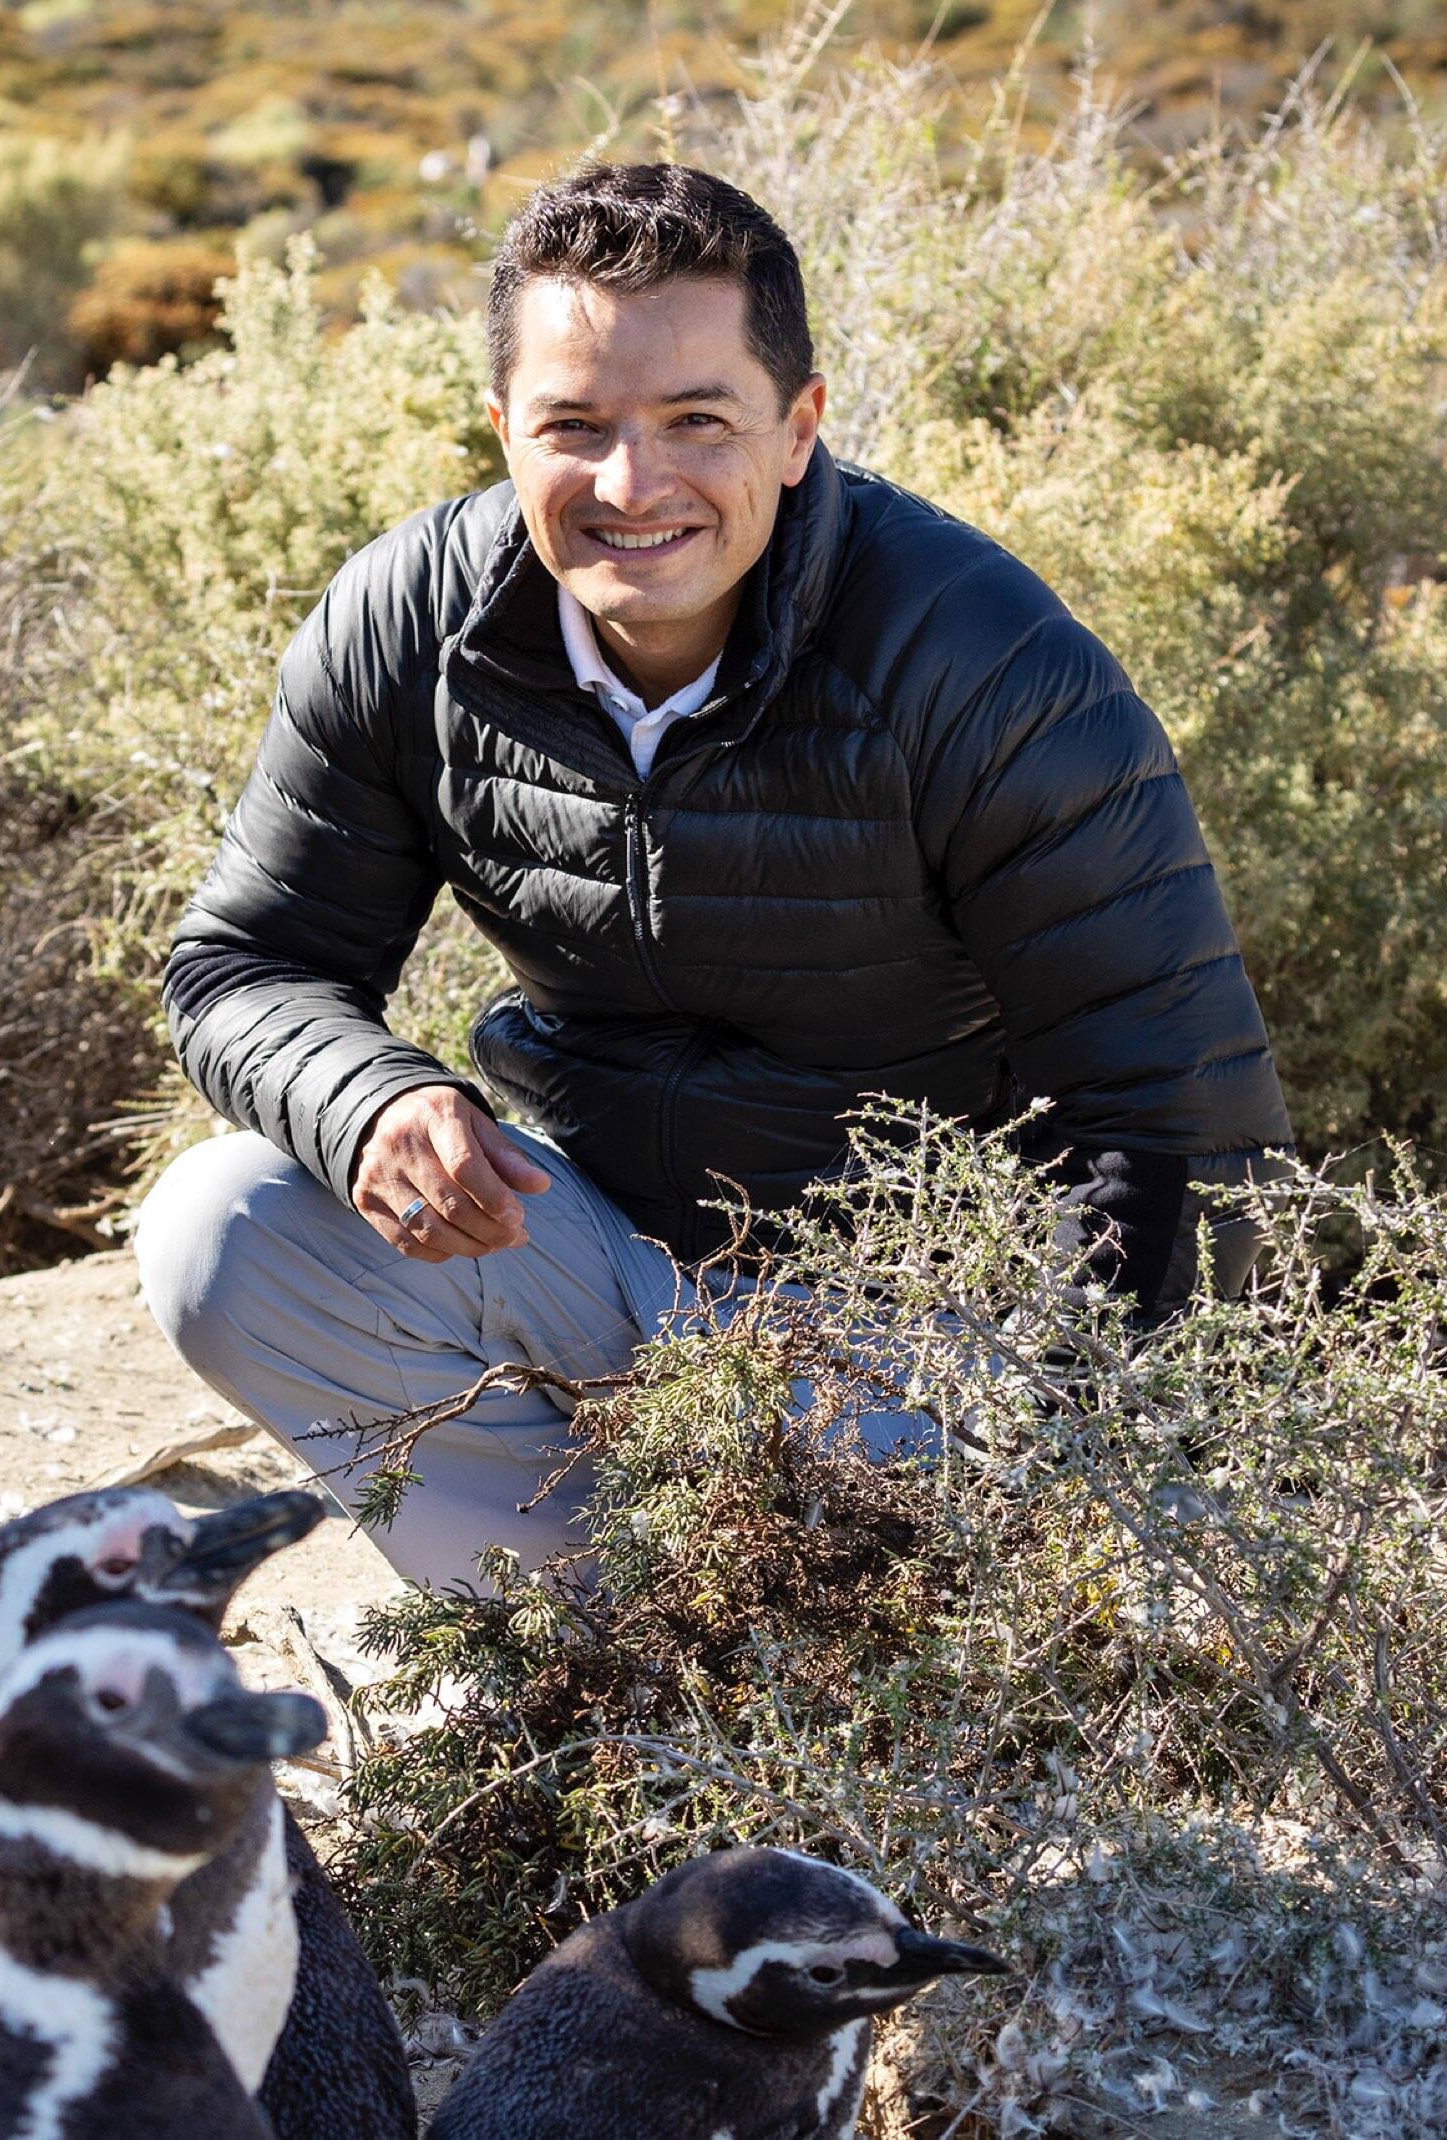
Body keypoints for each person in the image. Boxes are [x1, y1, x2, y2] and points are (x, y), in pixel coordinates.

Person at [134, 162, 1294, 1590]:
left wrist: (1071, 1485)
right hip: (604, 1267)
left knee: (947, 1581)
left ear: (797, 428)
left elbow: (1180, 1122)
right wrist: (369, 1101)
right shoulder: (406, 627)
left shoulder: (982, 667)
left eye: (698, 420)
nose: (635, 485)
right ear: (503, 432)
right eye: (576, 426)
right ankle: (585, 1645)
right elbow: (243, 966)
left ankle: (872, 1662)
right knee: (224, 1228)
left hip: (918, 1338)